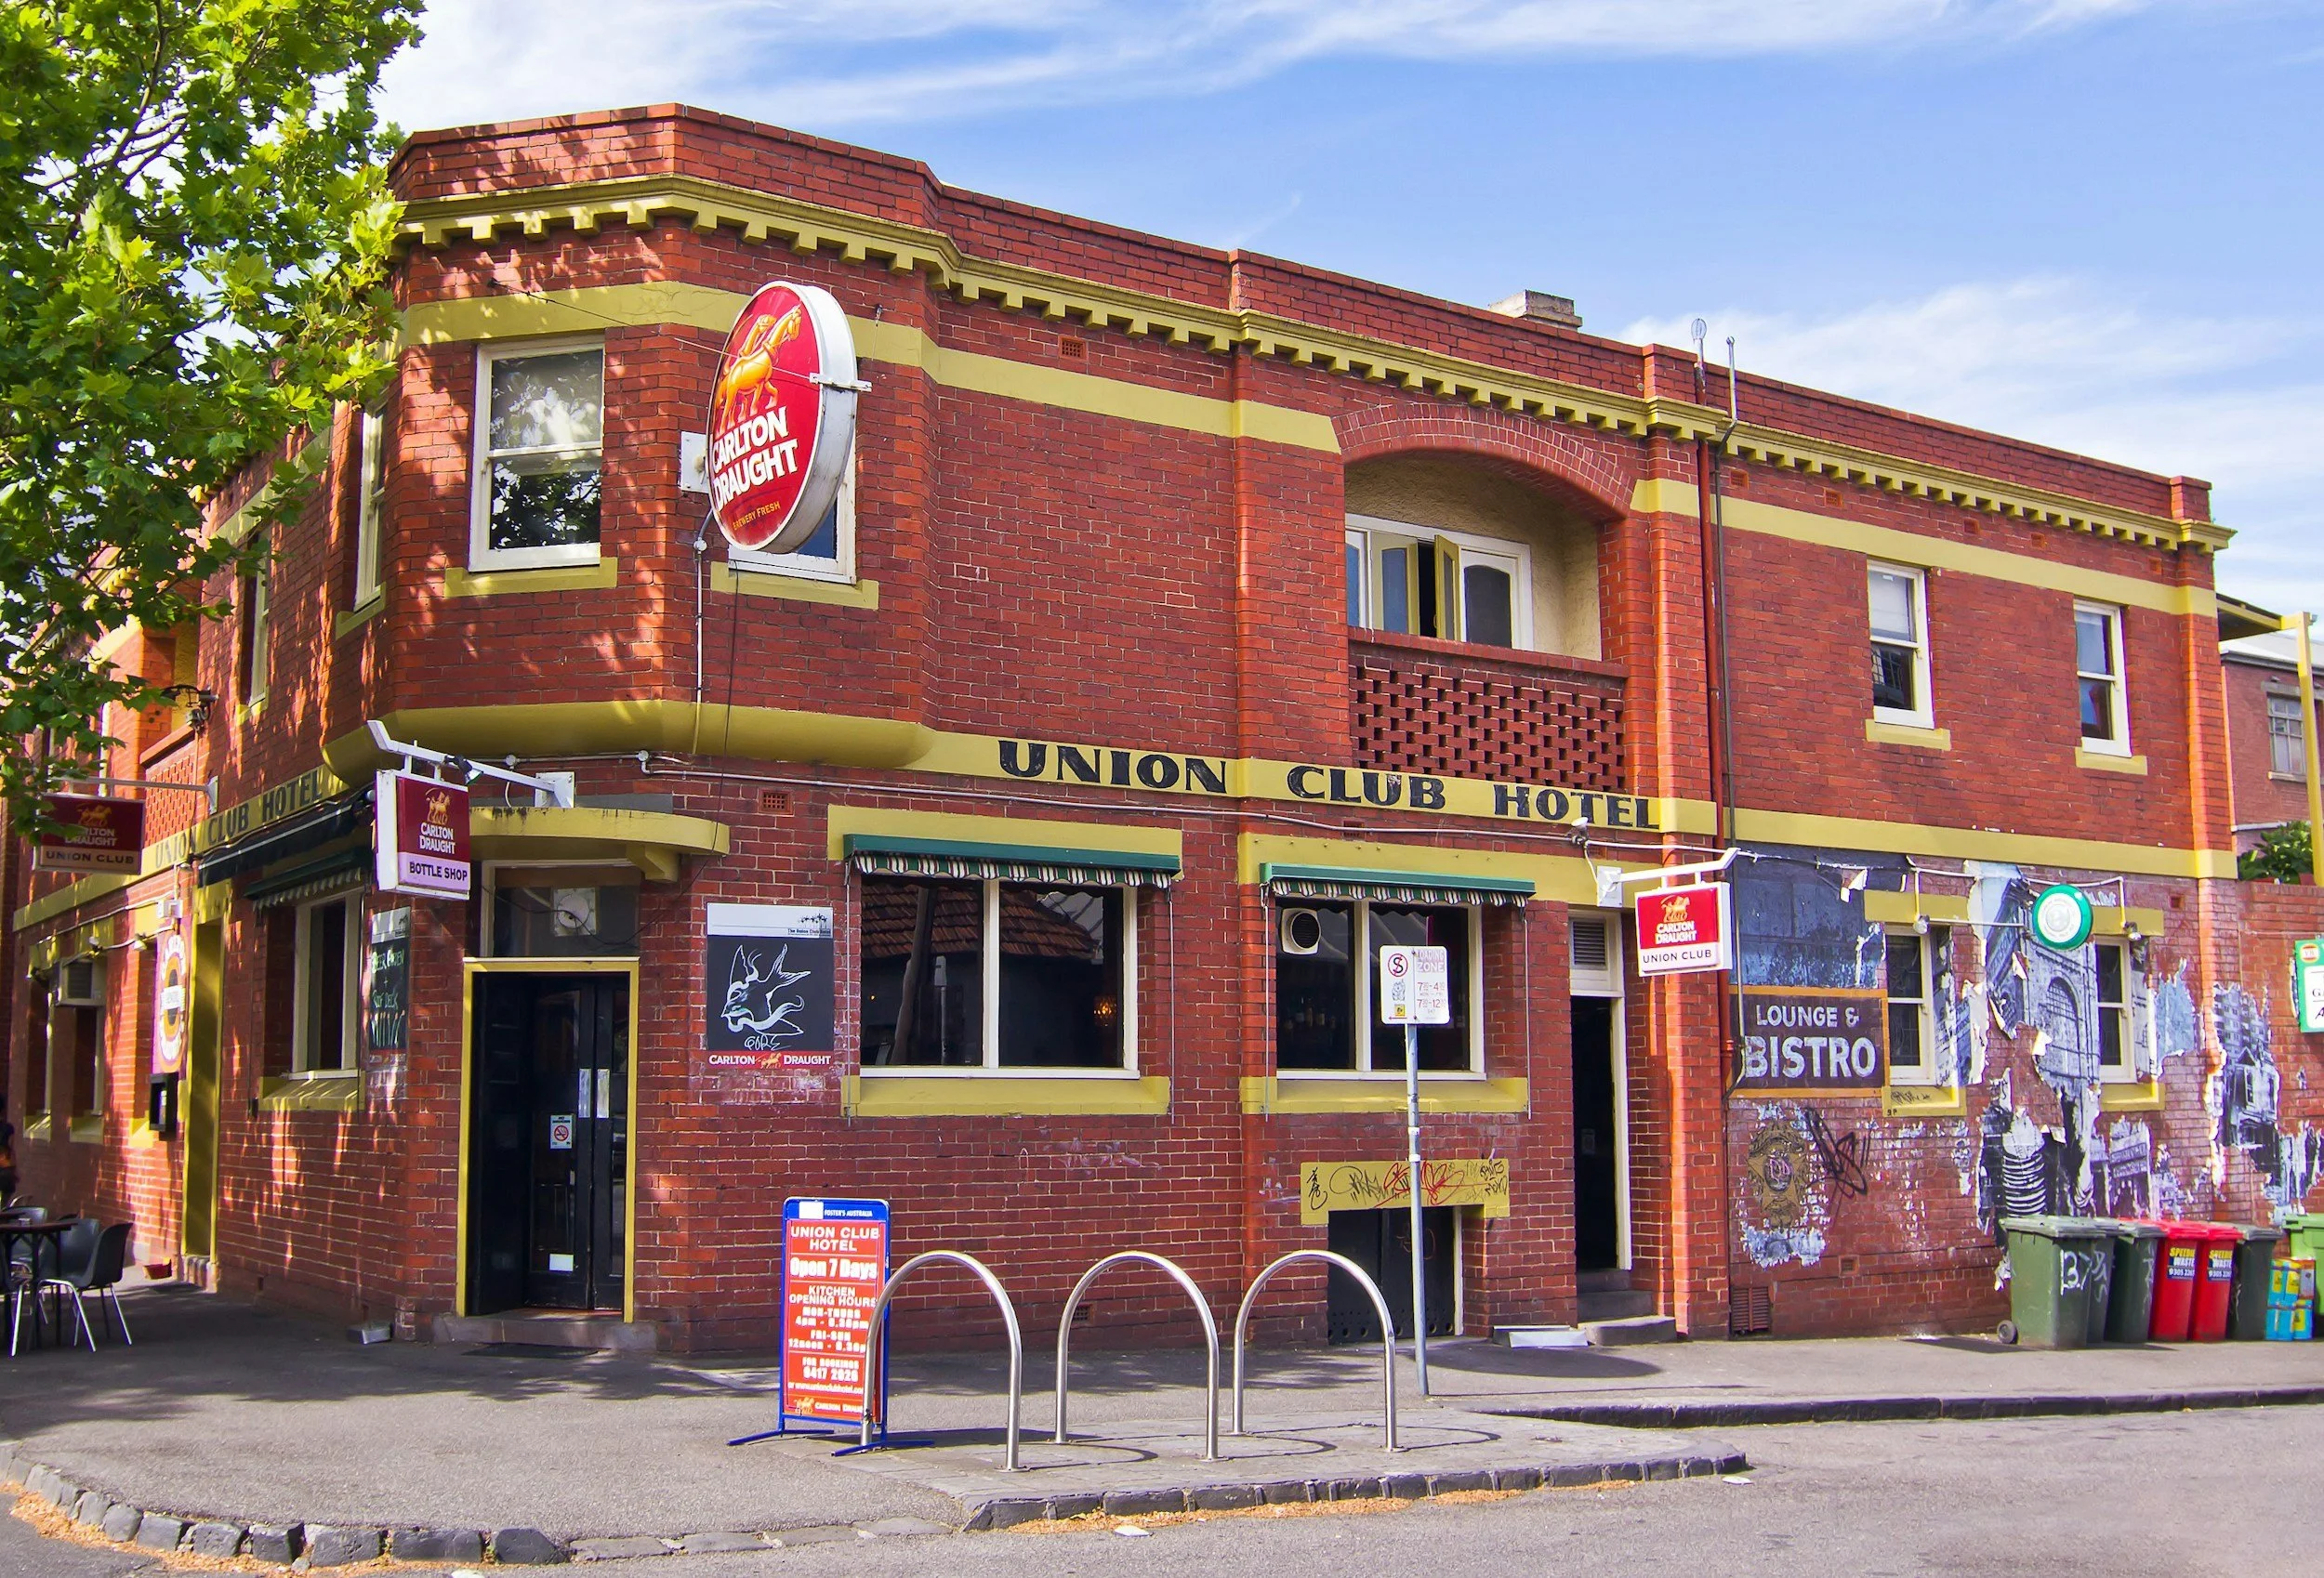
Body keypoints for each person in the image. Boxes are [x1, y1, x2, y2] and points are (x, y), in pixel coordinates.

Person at [0, 1116, 17, 1205]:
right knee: (5, 1199)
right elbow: (11, 1146)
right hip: (6, 1166)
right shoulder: (8, 1128)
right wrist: (15, 1169)